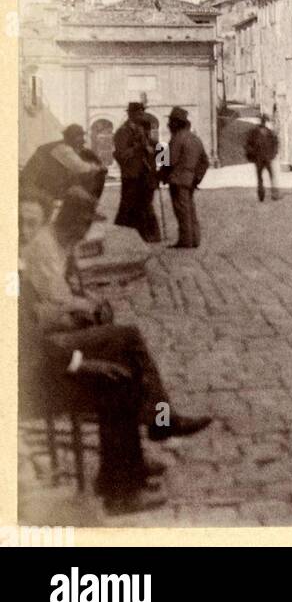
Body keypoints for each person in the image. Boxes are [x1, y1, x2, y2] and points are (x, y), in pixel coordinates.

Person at [20, 187, 211, 513]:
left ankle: (134, 454)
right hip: (31, 375)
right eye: (19, 224)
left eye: (31, 223)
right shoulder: (24, 261)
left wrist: (85, 309)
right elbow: (28, 336)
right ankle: (123, 484)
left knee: (124, 348)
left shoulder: (28, 258)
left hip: (42, 353)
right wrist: (78, 362)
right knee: (120, 362)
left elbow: (36, 317)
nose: (25, 232)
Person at [21, 125, 107, 206]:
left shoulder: (59, 146)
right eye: (79, 136)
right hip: (36, 184)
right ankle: (86, 209)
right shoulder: (62, 148)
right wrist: (97, 168)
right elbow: (79, 167)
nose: (82, 140)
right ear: (73, 137)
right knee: (79, 191)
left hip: (39, 181)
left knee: (78, 188)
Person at [113, 103, 161, 243]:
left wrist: (163, 163)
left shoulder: (141, 129)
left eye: (142, 113)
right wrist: (138, 148)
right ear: (131, 114)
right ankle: (130, 236)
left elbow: (156, 147)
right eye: (139, 113)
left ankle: (150, 235)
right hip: (131, 175)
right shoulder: (122, 132)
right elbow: (121, 154)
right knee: (129, 205)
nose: (142, 116)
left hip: (145, 173)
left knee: (145, 204)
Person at [165, 107, 209, 249]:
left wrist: (160, 173)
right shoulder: (195, 138)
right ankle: (195, 239)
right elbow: (205, 161)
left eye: (170, 121)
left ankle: (186, 241)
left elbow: (169, 161)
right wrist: (197, 178)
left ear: (176, 123)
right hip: (190, 180)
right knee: (190, 209)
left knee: (182, 211)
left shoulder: (177, 138)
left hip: (177, 179)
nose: (168, 124)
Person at [244, 114, 280, 203]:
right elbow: (248, 144)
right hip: (259, 158)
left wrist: (273, 153)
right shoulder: (255, 132)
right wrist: (252, 154)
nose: (263, 122)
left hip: (266, 158)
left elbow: (275, 143)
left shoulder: (268, 132)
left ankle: (272, 193)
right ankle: (261, 192)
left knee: (270, 175)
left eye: (264, 121)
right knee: (261, 177)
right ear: (261, 122)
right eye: (262, 121)